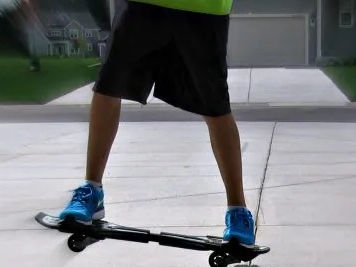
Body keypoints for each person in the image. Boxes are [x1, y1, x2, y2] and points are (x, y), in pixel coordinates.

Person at [55, 0, 255, 246]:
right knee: (108, 85)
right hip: (144, 3)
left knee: (215, 106)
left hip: (205, 7)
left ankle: (238, 212)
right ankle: (91, 191)